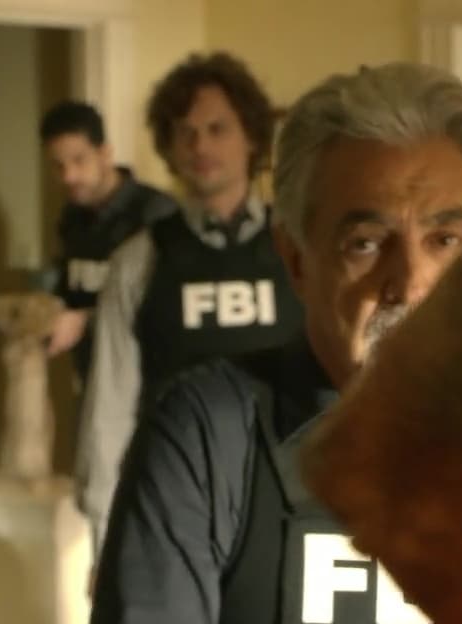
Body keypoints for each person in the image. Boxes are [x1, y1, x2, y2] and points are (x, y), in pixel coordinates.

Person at [78, 62, 462, 624]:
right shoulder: (209, 437)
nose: (411, 285)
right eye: (366, 243)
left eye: (445, 240)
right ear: (295, 257)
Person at [76, 54, 304, 550]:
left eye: (217, 128)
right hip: (173, 497)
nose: (201, 145)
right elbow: (110, 402)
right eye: (185, 132)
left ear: (252, 137)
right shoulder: (140, 260)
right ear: (168, 147)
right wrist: (102, 529)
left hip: (284, 494)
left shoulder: (299, 248)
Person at [38, 100, 176, 381]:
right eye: (58, 165)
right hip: (90, 376)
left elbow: (164, 305)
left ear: (105, 154)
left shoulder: (155, 212)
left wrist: (84, 320)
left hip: (147, 378)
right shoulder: (71, 218)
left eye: (79, 160)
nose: (69, 176)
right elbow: (70, 289)